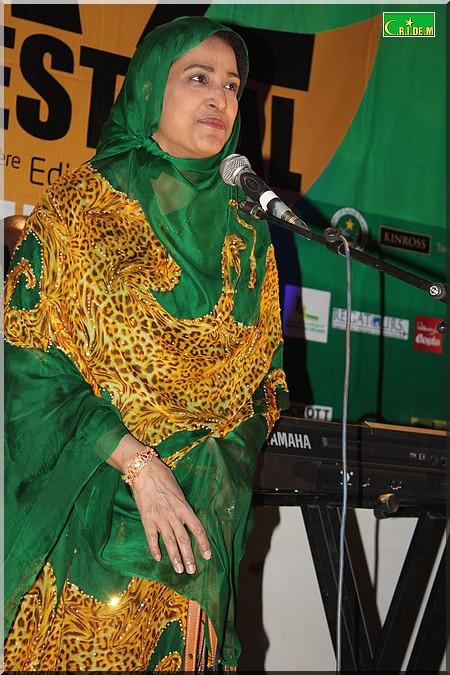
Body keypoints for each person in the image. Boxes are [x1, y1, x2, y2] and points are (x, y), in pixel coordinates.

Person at [3, 15, 289, 672]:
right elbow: (24, 362)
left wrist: (207, 496)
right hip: (82, 521)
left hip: (190, 541)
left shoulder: (247, 232)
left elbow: (265, 384)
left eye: (232, 85)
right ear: (151, 88)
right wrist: (138, 463)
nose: (221, 98)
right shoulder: (82, 205)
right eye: (199, 78)